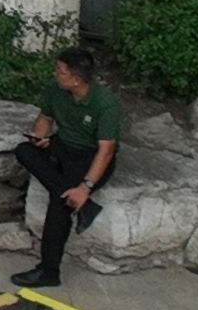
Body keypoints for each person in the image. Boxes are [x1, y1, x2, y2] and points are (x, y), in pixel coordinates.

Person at [9, 37, 126, 288]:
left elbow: (106, 151)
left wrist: (85, 187)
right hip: (62, 147)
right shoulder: (57, 91)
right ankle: (84, 207)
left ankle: (49, 270)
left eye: (60, 71)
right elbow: (45, 118)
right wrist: (39, 137)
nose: (55, 74)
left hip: (90, 157)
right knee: (24, 150)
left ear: (76, 79)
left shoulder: (104, 104)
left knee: (59, 203)